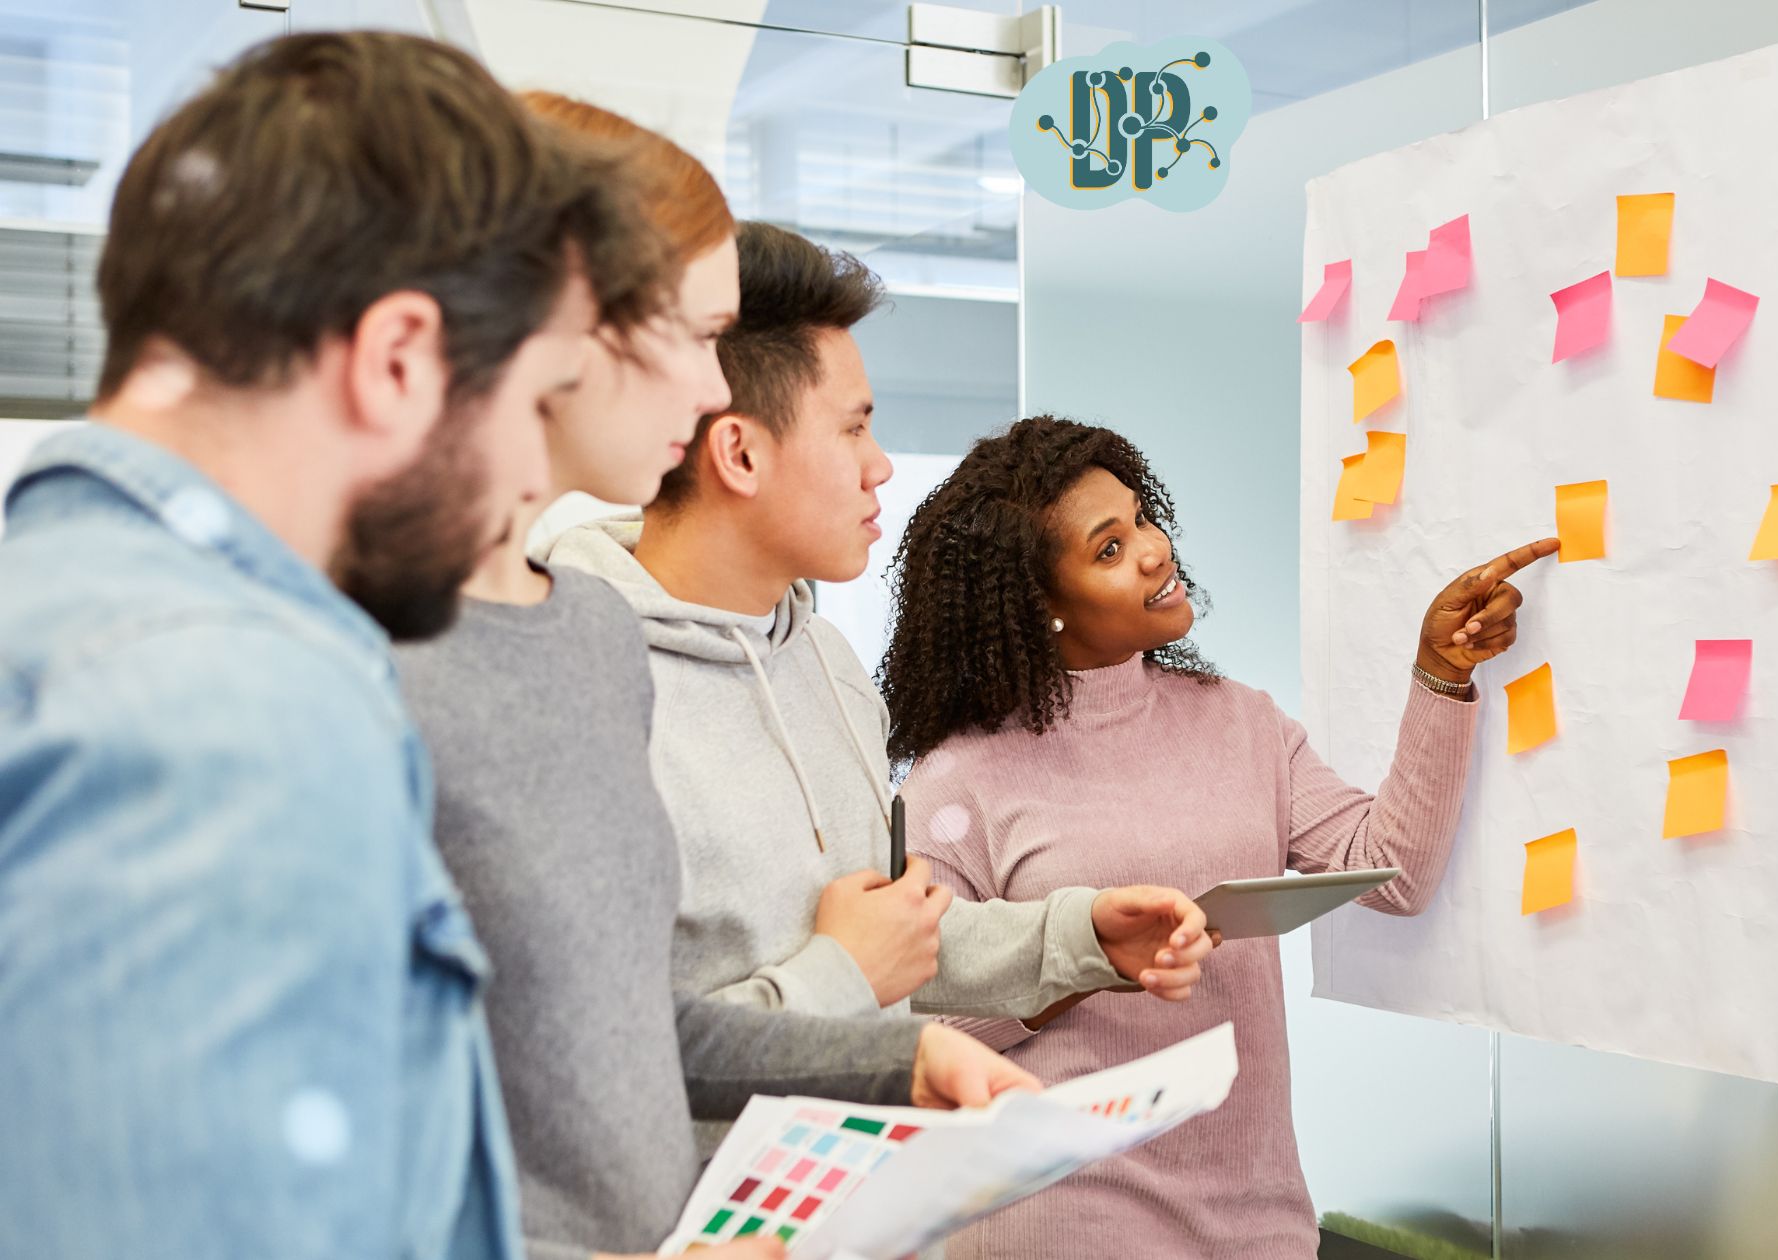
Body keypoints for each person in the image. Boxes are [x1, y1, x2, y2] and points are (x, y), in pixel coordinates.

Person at [0, 32, 668, 1260]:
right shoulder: (226, 712)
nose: (532, 475)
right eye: (531, 402)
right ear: (398, 358)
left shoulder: (59, 614)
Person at [394, 96, 1036, 1260]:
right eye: (690, 336)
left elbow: (620, 1031)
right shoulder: (370, 651)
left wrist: (895, 1052)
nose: (704, 392)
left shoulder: (578, 635)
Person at [542, 225, 1213, 1155]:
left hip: (864, 1207)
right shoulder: (574, 694)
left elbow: (899, 935)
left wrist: (1082, 936)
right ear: (739, 455)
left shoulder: (826, 661)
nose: (882, 464)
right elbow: (570, 1059)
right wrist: (841, 972)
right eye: (854, 427)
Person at [880, 416, 1561, 1258]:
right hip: (1062, 1215)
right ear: (1037, 607)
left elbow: (1389, 874)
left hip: (1256, 1214)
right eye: (1107, 549)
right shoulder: (960, 781)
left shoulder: (1240, 721)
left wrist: (1442, 673)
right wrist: (1085, 958)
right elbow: (908, 1021)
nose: (1154, 551)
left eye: (1141, 519)